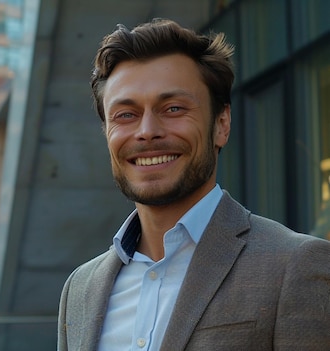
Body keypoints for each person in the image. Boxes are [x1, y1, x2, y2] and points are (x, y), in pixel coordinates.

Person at [57, 18, 330, 351]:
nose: (147, 131)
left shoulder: (295, 266)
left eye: (173, 108)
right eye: (125, 114)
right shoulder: (80, 288)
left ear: (221, 124)